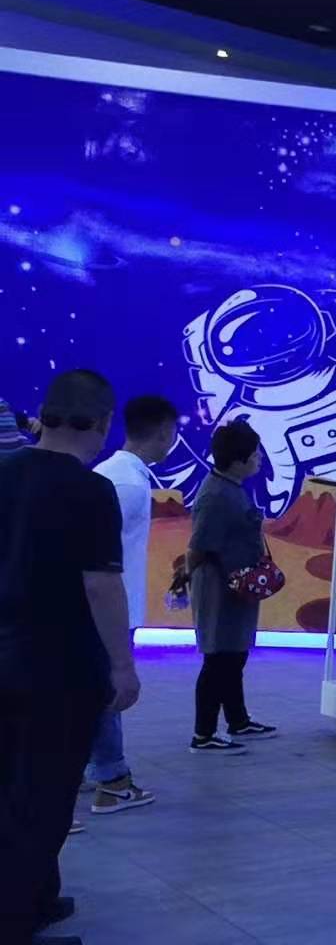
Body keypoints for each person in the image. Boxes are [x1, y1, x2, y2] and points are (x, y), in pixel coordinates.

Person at [0, 370, 140, 945]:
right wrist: (123, 665)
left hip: (7, 652)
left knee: (13, 787)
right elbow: (101, 585)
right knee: (46, 797)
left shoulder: (5, 473)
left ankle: (37, 896)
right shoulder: (91, 491)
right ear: (103, 423)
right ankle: (15, 920)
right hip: (60, 667)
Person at [83, 396, 178, 813]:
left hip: (109, 604)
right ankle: (112, 780)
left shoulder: (115, 474)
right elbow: (95, 555)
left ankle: (91, 770)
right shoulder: (127, 485)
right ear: (164, 432)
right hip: (110, 607)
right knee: (110, 691)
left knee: (95, 691)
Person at [188, 420, 276, 754]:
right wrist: (182, 578)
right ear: (238, 460)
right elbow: (199, 546)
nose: (260, 459)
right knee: (218, 658)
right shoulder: (215, 495)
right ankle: (203, 733)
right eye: (255, 454)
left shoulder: (231, 488)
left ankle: (238, 720)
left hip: (239, 586)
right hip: (219, 589)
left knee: (235, 654)